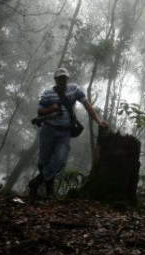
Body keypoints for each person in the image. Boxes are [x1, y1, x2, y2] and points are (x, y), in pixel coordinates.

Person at [28, 68, 107, 201]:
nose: (62, 81)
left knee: (60, 160)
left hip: (64, 132)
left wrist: (98, 120)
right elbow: (40, 111)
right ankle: (49, 192)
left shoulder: (74, 89)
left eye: (64, 78)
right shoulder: (48, 93)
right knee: (43, 162)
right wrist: (51, 109)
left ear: (67, 79)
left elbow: (87, 105)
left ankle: (36, 181)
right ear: (55, 80)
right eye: (59, 78)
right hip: (48, 130)